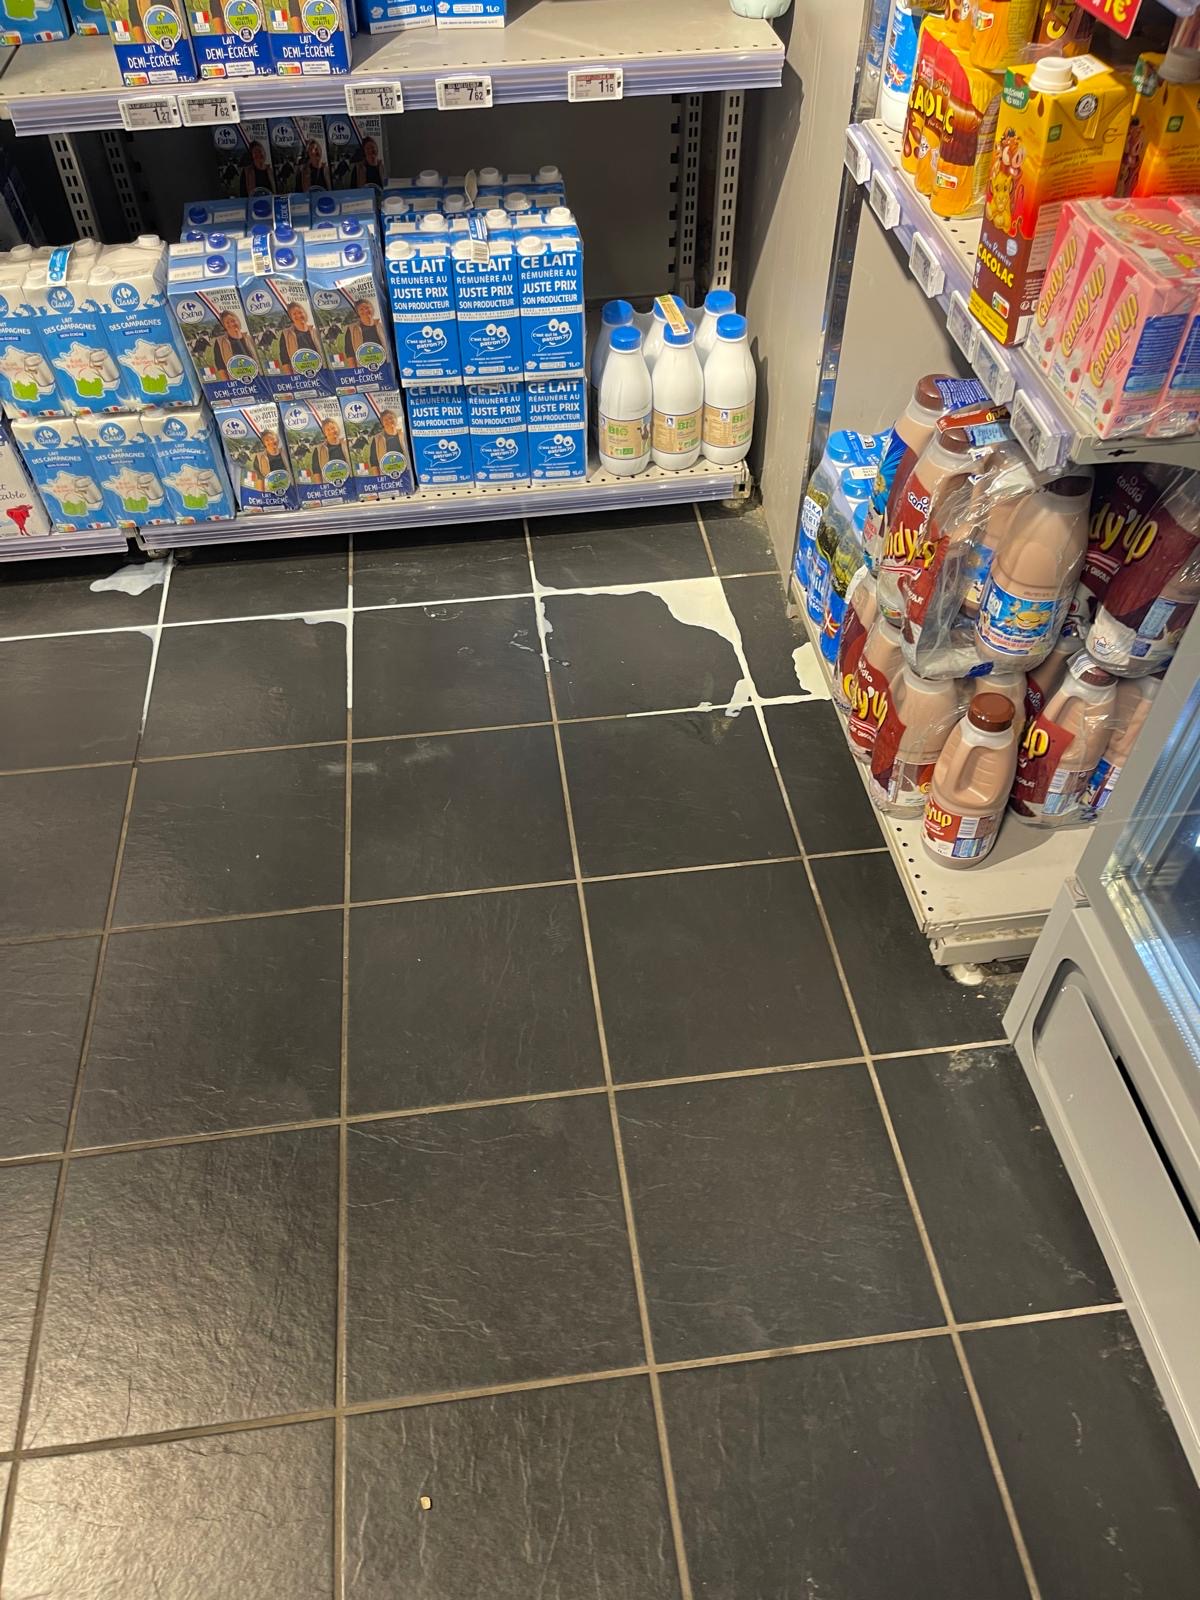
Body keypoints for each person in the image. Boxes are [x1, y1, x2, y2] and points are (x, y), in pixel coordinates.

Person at [214, 309, 256, 381]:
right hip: (235, 382)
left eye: (233, 321)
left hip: (256, 379)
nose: (231, 324)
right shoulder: (220, 342)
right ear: (224, 326)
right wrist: (229, 383)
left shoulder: (249, 338)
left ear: (238, 321)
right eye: (227, 323)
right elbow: (220, 366)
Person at [280, 300, 321, 374]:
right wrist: (291, 377)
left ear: (305, 313)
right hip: (299, 375)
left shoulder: (316, 331)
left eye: (300, 312)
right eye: (294, 314)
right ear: (291, 317)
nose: (298, 316)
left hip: (320, 372)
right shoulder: (286, 334)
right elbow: (284, 360)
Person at [344, 299, 386, 366]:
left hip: (385, 366)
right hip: (363, 369)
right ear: (357, 313)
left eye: (367, 307)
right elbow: (349, 353)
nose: (365, 311)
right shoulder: (352, 329)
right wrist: (355, 370)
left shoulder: (382, 326)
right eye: (361, 309)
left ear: (372, 309)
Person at [315, 414, 349, 479]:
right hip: (329, 484)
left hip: (349, 481)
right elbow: (316, 472)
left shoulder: (347, 444)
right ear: (324, 433)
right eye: (328, 430)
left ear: (338, 428)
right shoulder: (319, 449)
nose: (332, 431)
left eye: (333, 428)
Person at [372, 407, 405, 472]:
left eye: (391, 418)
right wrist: (378, 477)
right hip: (386, 474)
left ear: (396, 419)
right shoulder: (376, 439)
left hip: (405, 472)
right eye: (385, 420)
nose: (389, 421)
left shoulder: (404, 435)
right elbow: (374, 462)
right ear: (382, 423)